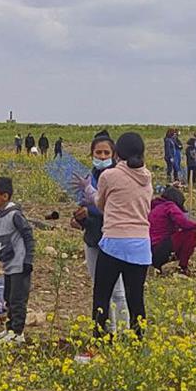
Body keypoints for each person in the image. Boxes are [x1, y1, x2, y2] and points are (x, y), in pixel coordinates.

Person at [91, 132, 153, 340]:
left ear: (117, 153)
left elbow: (100, 204)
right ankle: (137, 343)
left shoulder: (109, 176)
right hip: (141, 246)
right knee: (136, 299)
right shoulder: (147, 178)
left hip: (114, 243)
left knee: (102, 297)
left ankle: (101, 340)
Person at [72, 132, 130, 334]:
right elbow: (84, 204)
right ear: (91, 154)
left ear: (114, 155)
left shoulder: (118, 178)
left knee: (118, 291)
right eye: (98, 153)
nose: (102, 156)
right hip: (93, 237)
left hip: (114, 239)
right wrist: (80, 217)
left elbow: (114, 207)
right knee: (99, 289)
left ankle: (123, 331)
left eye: (106, 153)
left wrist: (91, 209)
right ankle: (107, 332)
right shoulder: (88, 178)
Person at [0, 177, 35, 344]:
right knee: (8, 298)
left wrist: (28, 260)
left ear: (4, 196)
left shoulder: (15, 215)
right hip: (8, 266)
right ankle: (9, 329)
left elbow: (28, 237)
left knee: (18, 300)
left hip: (20, 265)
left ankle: (18, 333)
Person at [150, 186, 196, 274]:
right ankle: (183, 267)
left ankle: (158, 267)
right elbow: (184, 224)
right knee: (191, 233)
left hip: (151, 251)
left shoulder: (157, 207)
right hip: (160, 249)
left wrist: (195, 243)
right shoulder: (169, 206)